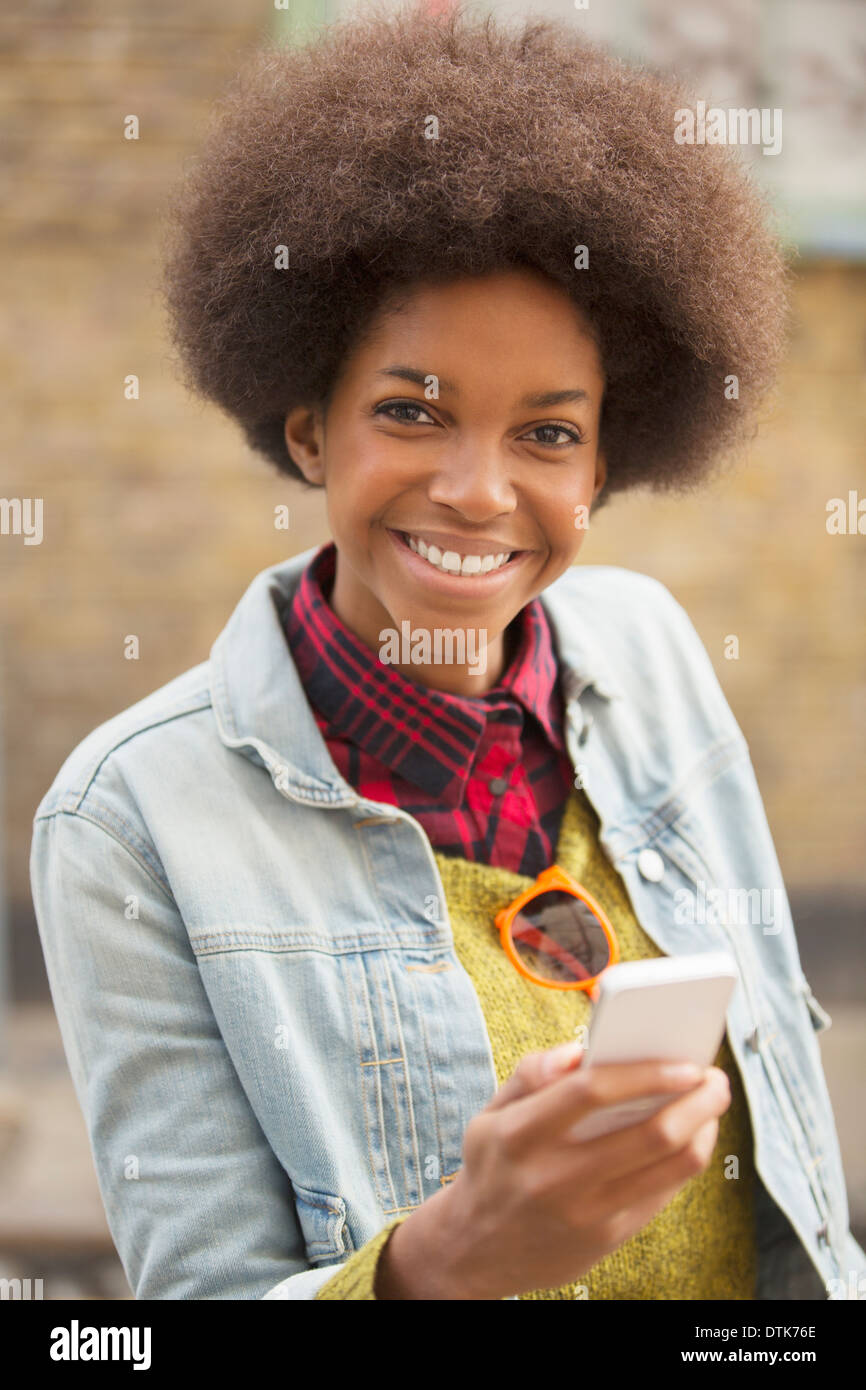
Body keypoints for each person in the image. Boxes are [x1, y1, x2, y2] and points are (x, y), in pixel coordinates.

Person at [29, 2, 865, 1300]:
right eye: (412, 411)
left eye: (546, 432)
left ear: (605, 459)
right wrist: (442, 1263)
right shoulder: (131, 817)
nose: (479, 492)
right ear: (309, 428)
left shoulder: (650, 650)